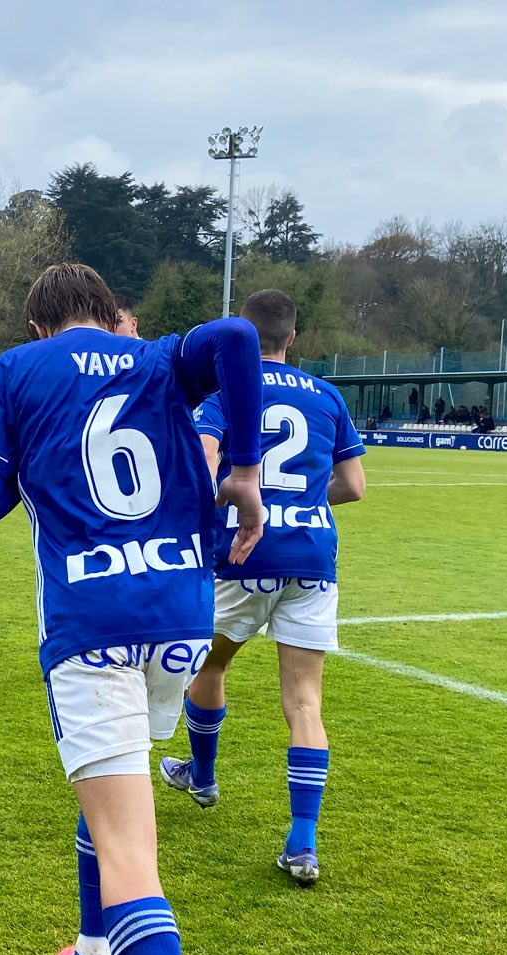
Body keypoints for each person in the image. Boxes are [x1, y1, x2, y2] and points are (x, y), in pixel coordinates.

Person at [0, 261, 266, 955]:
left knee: (129, 847)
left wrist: (14, 458)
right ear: (103, 312)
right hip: (177, 613)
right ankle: (89, 954)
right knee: (113, 794)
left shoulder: (16, 369)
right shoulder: (156, 358)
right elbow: (238, 342)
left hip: (88, 619)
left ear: (38, 319)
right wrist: (241, 470)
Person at [160, 291, 365, 886]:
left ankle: (201, 777)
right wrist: (297, 500)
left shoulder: (226, 396)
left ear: (242, 337)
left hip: (243, 553)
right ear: (293, 339)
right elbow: (353, 485)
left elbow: (202, 466)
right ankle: (303, 846)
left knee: (209, 665)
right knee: (305, 703)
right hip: (312, 559)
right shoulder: (328, 396)